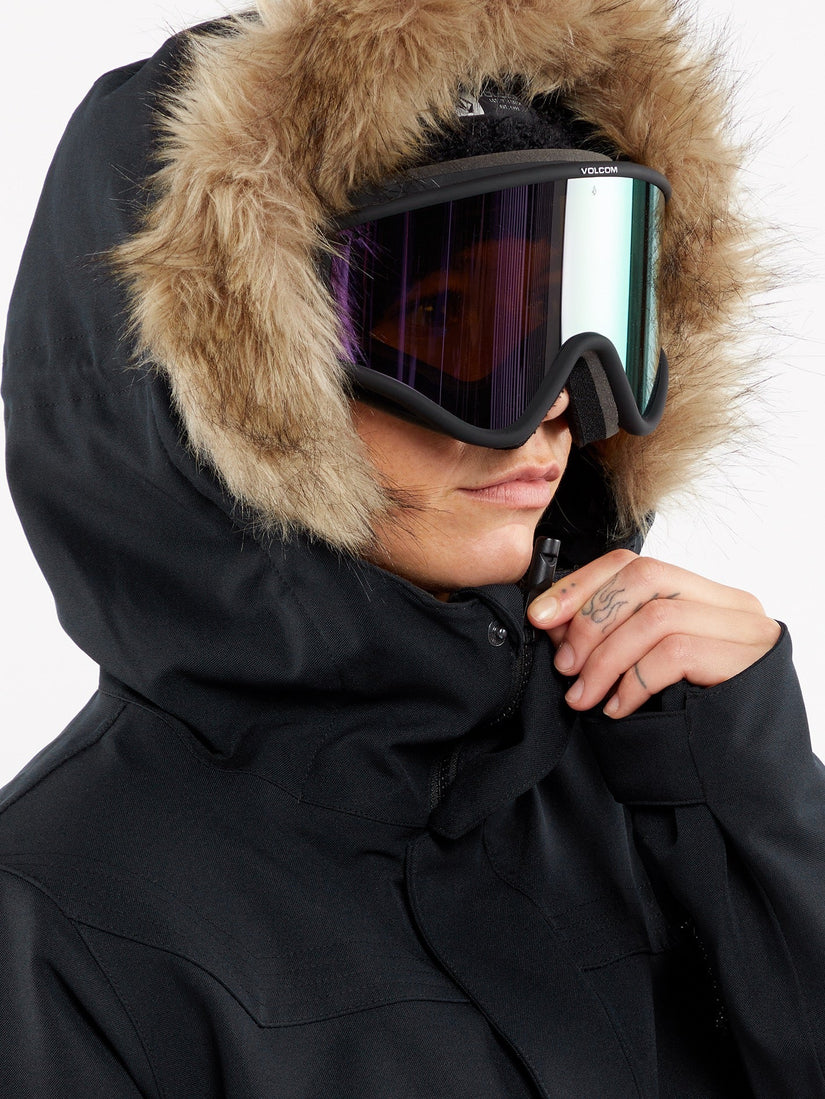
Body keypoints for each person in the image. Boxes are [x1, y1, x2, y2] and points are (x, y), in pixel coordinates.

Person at [1, 0, 823, 1095]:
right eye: (448, 325)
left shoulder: (664, 771)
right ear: (230, 390)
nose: (554, 410)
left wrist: (759, 805)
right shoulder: (56, 926)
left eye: (582, 317)